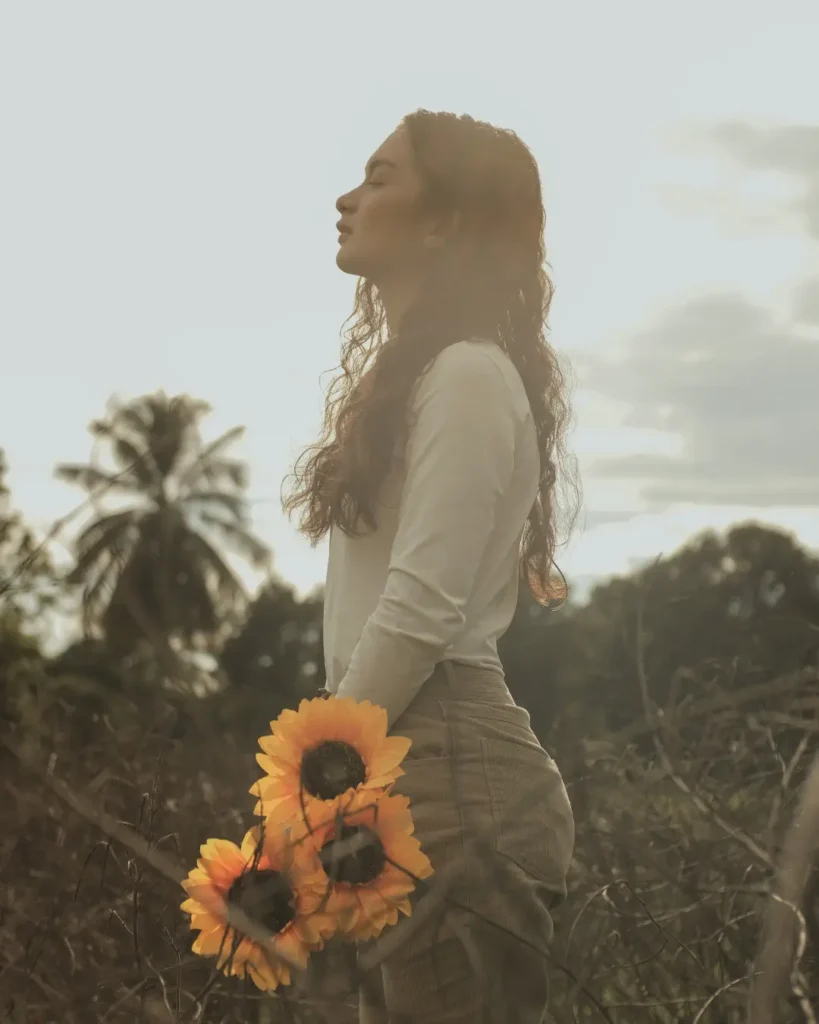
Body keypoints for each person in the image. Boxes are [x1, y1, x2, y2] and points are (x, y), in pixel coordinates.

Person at [283, 109, 578, 1023]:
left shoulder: (468, 374)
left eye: (380, 178)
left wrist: (306, 781)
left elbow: (417, 611)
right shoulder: (422, 377)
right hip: (400, 763)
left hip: (450, 773)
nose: (347, 197)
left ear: (445, 220)